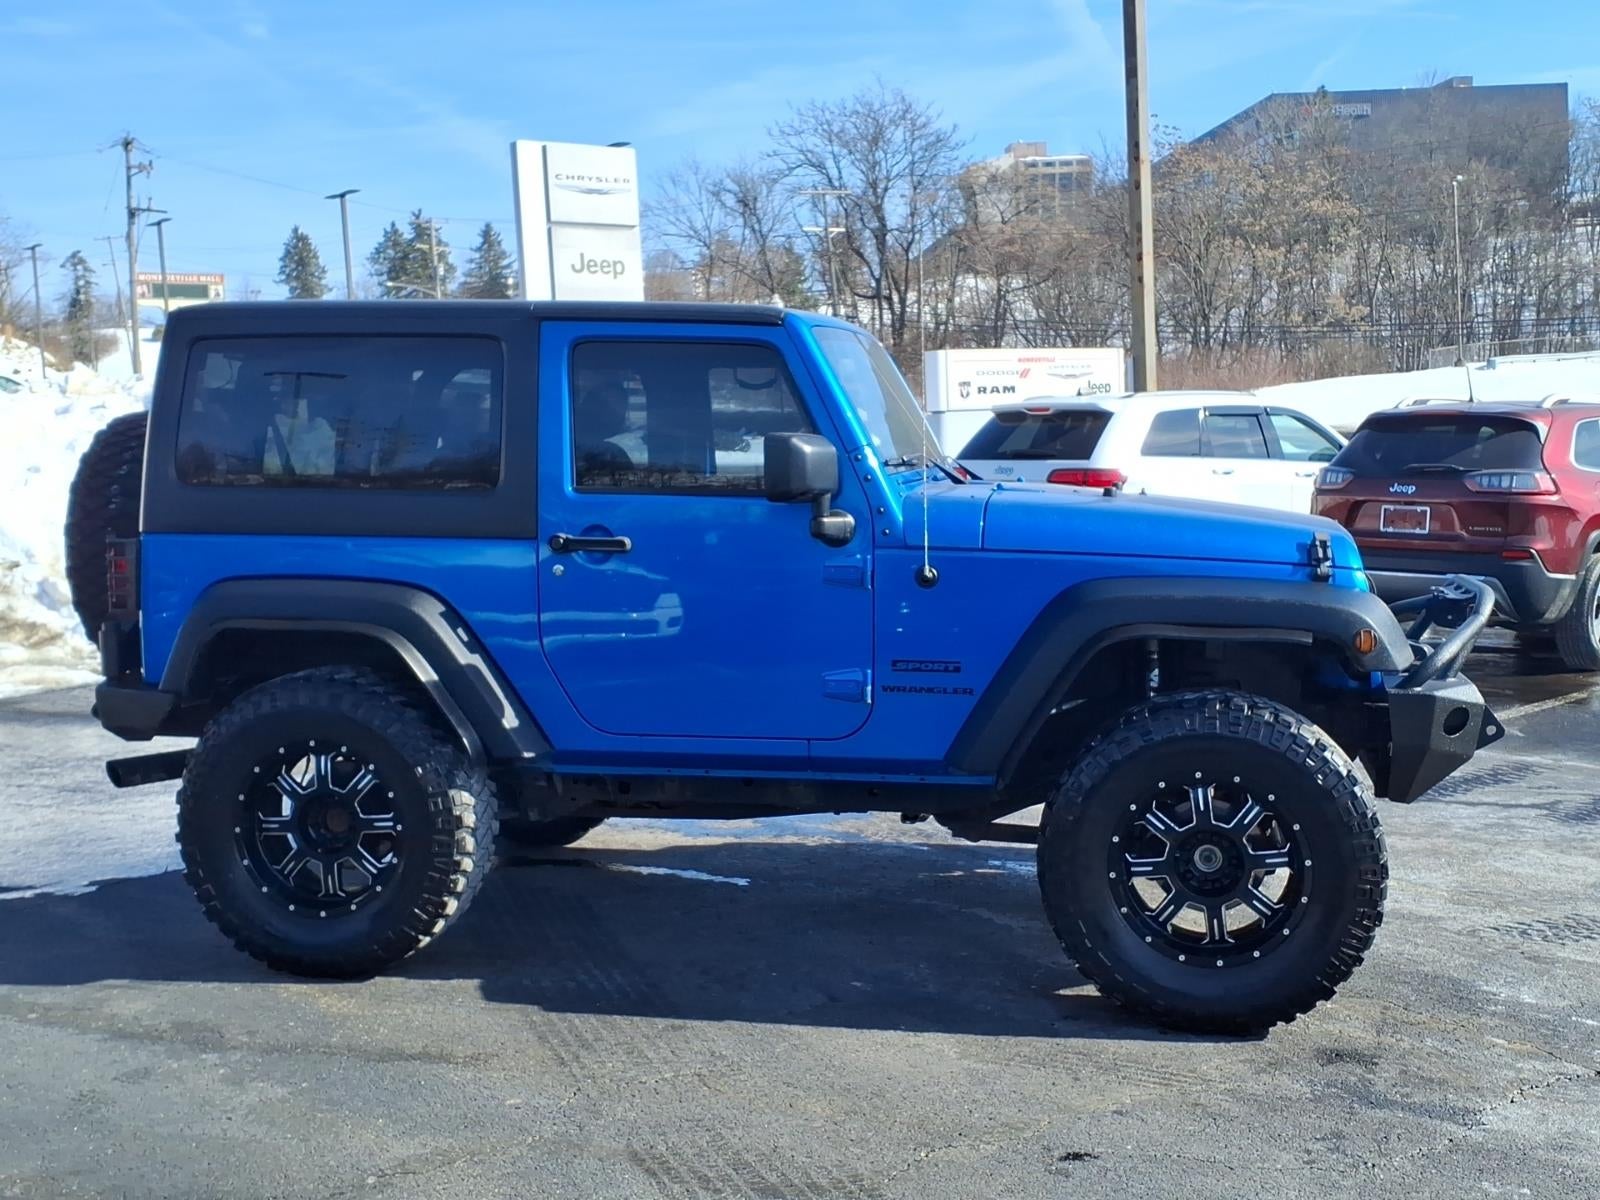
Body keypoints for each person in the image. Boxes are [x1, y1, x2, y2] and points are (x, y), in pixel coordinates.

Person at [262, 373, 337, 479]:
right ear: (281, 403)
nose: (296, 405)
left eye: (302, 400)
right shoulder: (269, 429)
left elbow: (327, 467)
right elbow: (268, 468)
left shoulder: (321, 428)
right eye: (289, 400)